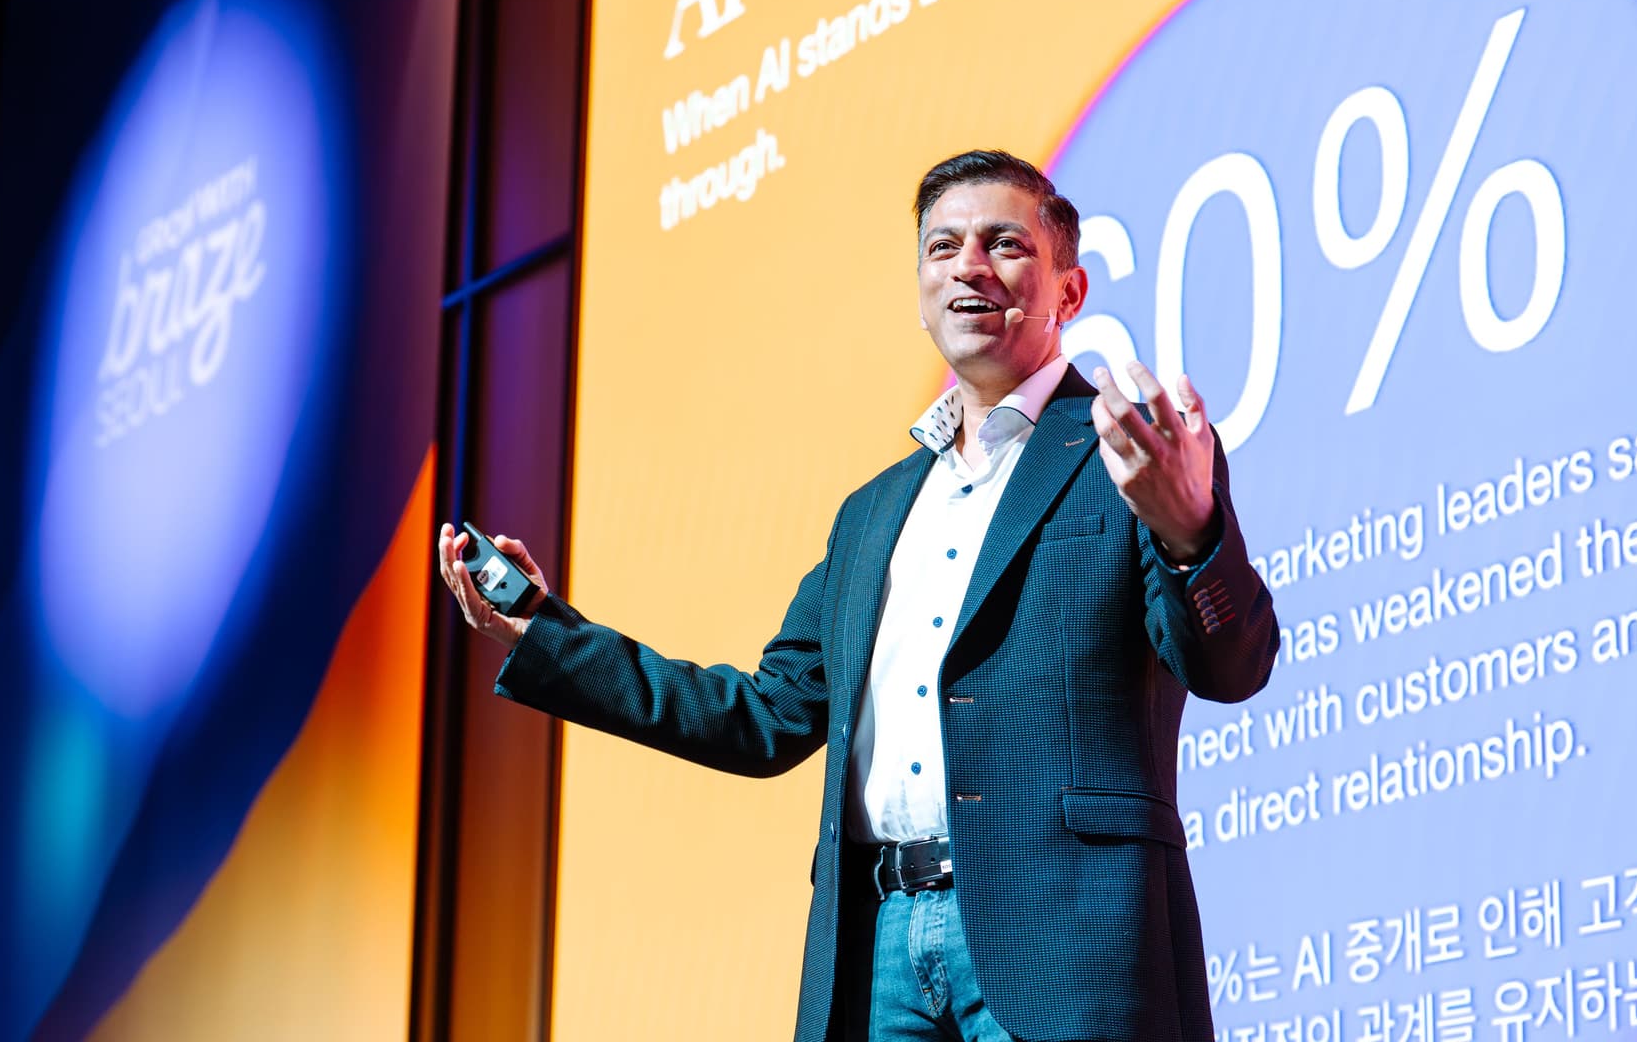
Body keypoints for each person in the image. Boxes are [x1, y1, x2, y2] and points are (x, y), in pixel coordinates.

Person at [438, 149, 1279, 1042]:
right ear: (921, 287)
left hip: (1065, 947)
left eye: (1003, 244)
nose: (969, 267)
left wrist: (1192, 531)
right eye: (942, 247)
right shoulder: (873, 514)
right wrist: (544, 632)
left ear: (1069, 293)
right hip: (876, 949)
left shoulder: (1136, 453)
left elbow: (1232, 665)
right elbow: (763, 719)